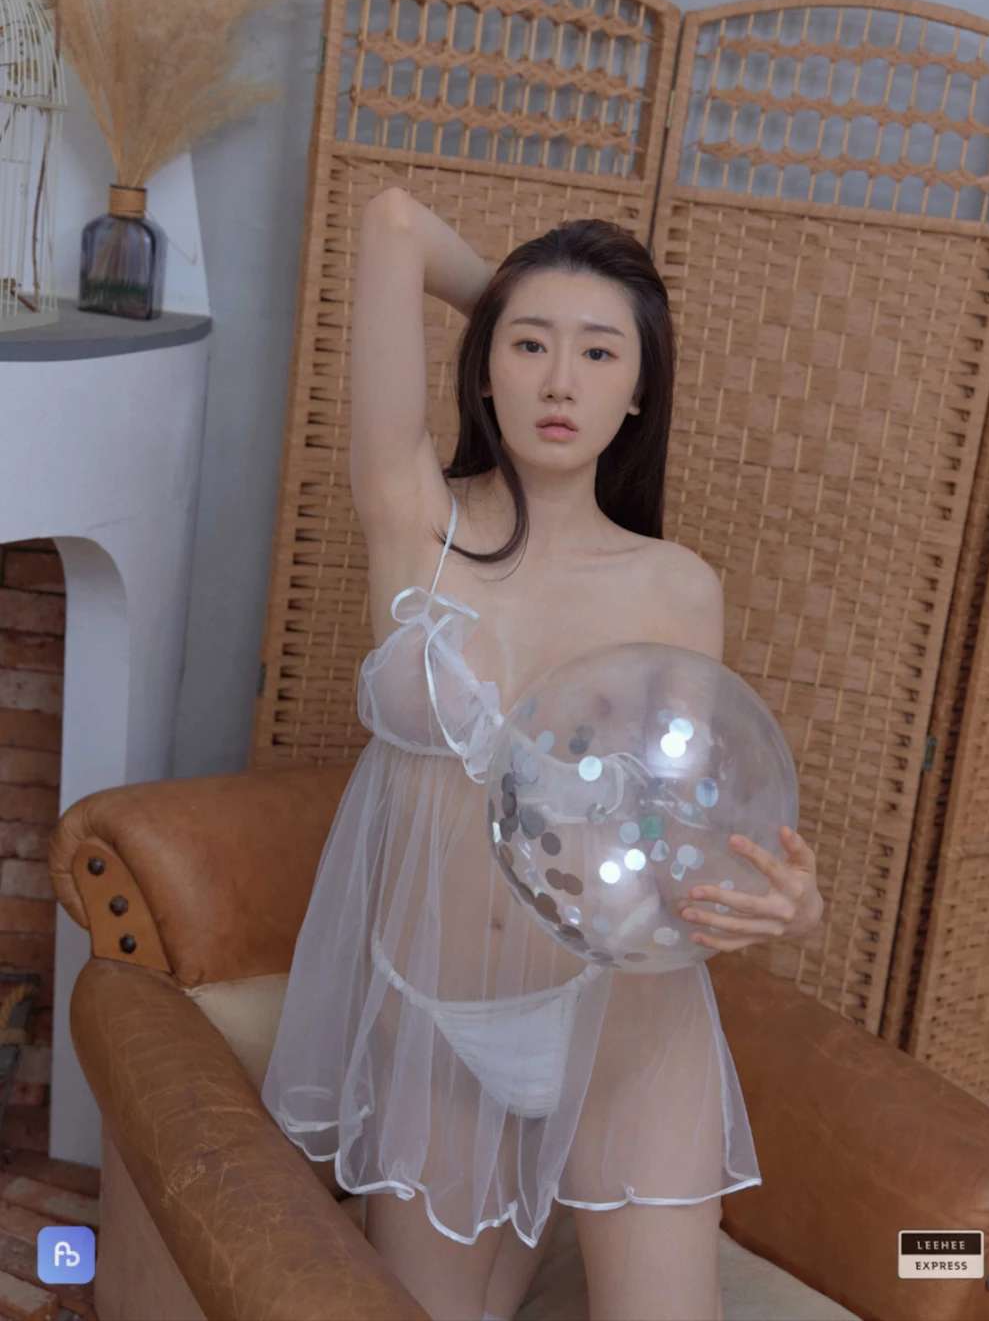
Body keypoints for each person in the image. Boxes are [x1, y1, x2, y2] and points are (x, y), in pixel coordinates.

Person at [259, 186, 825, 1321]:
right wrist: (517, 304)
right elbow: (393, 224)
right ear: (483, 369)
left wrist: (787, 902)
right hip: (435, 1019)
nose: (561, 381)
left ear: (638, 391)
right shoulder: (415, 517)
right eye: (529, 348)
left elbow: (681, 820)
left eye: (600, 355)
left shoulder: (677, 587)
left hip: (622, 1022)